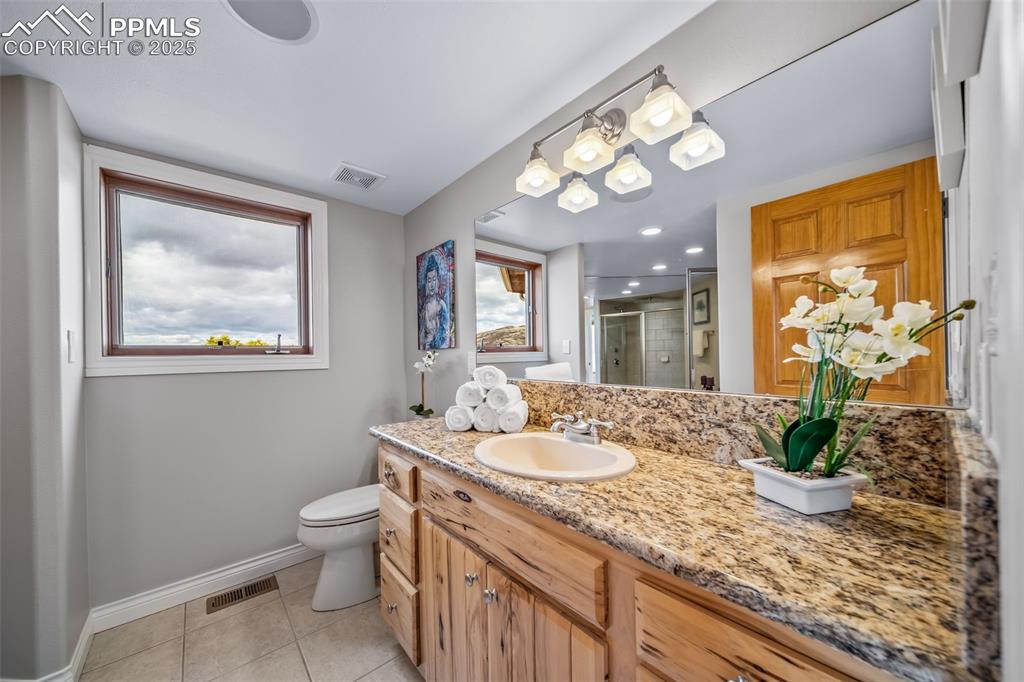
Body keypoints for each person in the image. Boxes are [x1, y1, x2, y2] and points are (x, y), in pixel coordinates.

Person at [419, 254, 450, 349]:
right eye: (429, 280)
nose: (432, 284)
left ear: (438, 280)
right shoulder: (425, 306)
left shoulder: (441, 304)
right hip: (427, 348)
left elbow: (446, 332)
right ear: (426, 283)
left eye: (434, 279)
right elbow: (422, 333)